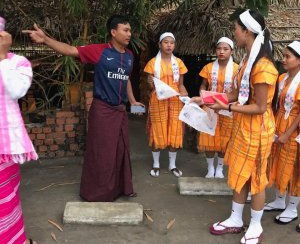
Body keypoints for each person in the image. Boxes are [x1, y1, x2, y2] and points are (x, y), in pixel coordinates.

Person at [23, 15, 143, 202]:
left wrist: (133, 101)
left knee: (120, 150)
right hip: (102, 111)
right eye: (125, 30)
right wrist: (45, 39)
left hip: (119, 111)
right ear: (113, 32)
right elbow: (70, 50)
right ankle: (98, 193)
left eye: (130, 30)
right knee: (101, 152)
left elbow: (125, 78)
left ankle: (121, 188)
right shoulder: (100, 51)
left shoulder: (129, 56)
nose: (129, 34)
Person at [192, 10, 278, 243]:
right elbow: (234, 94)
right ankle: (236, 218)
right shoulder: (247, 62)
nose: (234, 32)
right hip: (243, 127)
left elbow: (260, 107)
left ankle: (256, 225)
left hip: (258, 130)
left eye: (236, 29)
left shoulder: (263, 67)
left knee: (255, 179)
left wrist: (226, 109)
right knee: (240, 174)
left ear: (247, 31)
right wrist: (206, 99)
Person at [0, 31, 38, 244]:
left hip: (4, 148)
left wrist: (2, 58)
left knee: (5, 199)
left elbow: (16, 90)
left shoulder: (18, 63)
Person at [264, 41, 300, 231]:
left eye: (288, 56)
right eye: (284, 55)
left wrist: (287, 133)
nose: (283, 59)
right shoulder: (282, 78)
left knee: (293, 167)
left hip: (294, 129)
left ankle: (292, 208)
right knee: (278, 163)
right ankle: (279, 200)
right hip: (279, 123)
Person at [144, 32, 188, 177]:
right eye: (166, 42)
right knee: (158, 130)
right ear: (160, 44)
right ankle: (156, 164)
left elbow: (181, 84)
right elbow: (150, 87)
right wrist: (150, 84)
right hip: (158, 100)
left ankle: (172, 165)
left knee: (174, 131)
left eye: (172, 42)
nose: (169, 45)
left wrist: (185, 94)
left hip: (175, 101)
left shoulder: (179, 63)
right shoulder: (152, 63)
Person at [198, 37, 239, 178]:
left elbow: (239, 90)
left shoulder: (237, 69)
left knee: (224, 139)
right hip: (210, 107)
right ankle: (210, 168)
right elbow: (204, 84)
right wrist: (202, 94)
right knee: (208, 138)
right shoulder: (208, 68)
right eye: (219, 48)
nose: (221, 52)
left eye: (225, 49)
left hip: (228, 109)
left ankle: (220, 169)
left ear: (232, 51)